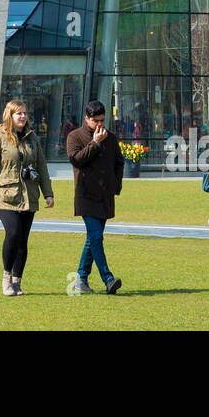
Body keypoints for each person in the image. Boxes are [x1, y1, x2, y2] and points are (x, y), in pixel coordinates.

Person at [0, 101, 54, 296]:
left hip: (29, 195)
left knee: (23, 240)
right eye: (18, 113)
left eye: (24, 113)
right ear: (9, 116)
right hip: (6, 196)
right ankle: (6, 277)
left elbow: (42, 168)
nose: (22, 116)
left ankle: (17, 280)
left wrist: (48, 193)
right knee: (13, 233)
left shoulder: (32, 138)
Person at [66, 100, 124, 294]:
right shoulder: (74, 136)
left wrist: (116, 185)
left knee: (93, 239)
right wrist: (96, 143)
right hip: (85, 195)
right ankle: (107, 278)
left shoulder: (111, 138)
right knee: (96, 237)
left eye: (102, 120)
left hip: (105, 196)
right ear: (86, 119)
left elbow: (119, 162)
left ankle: (81, 279)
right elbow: (76, 159)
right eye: (95, 121)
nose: (100, 125)